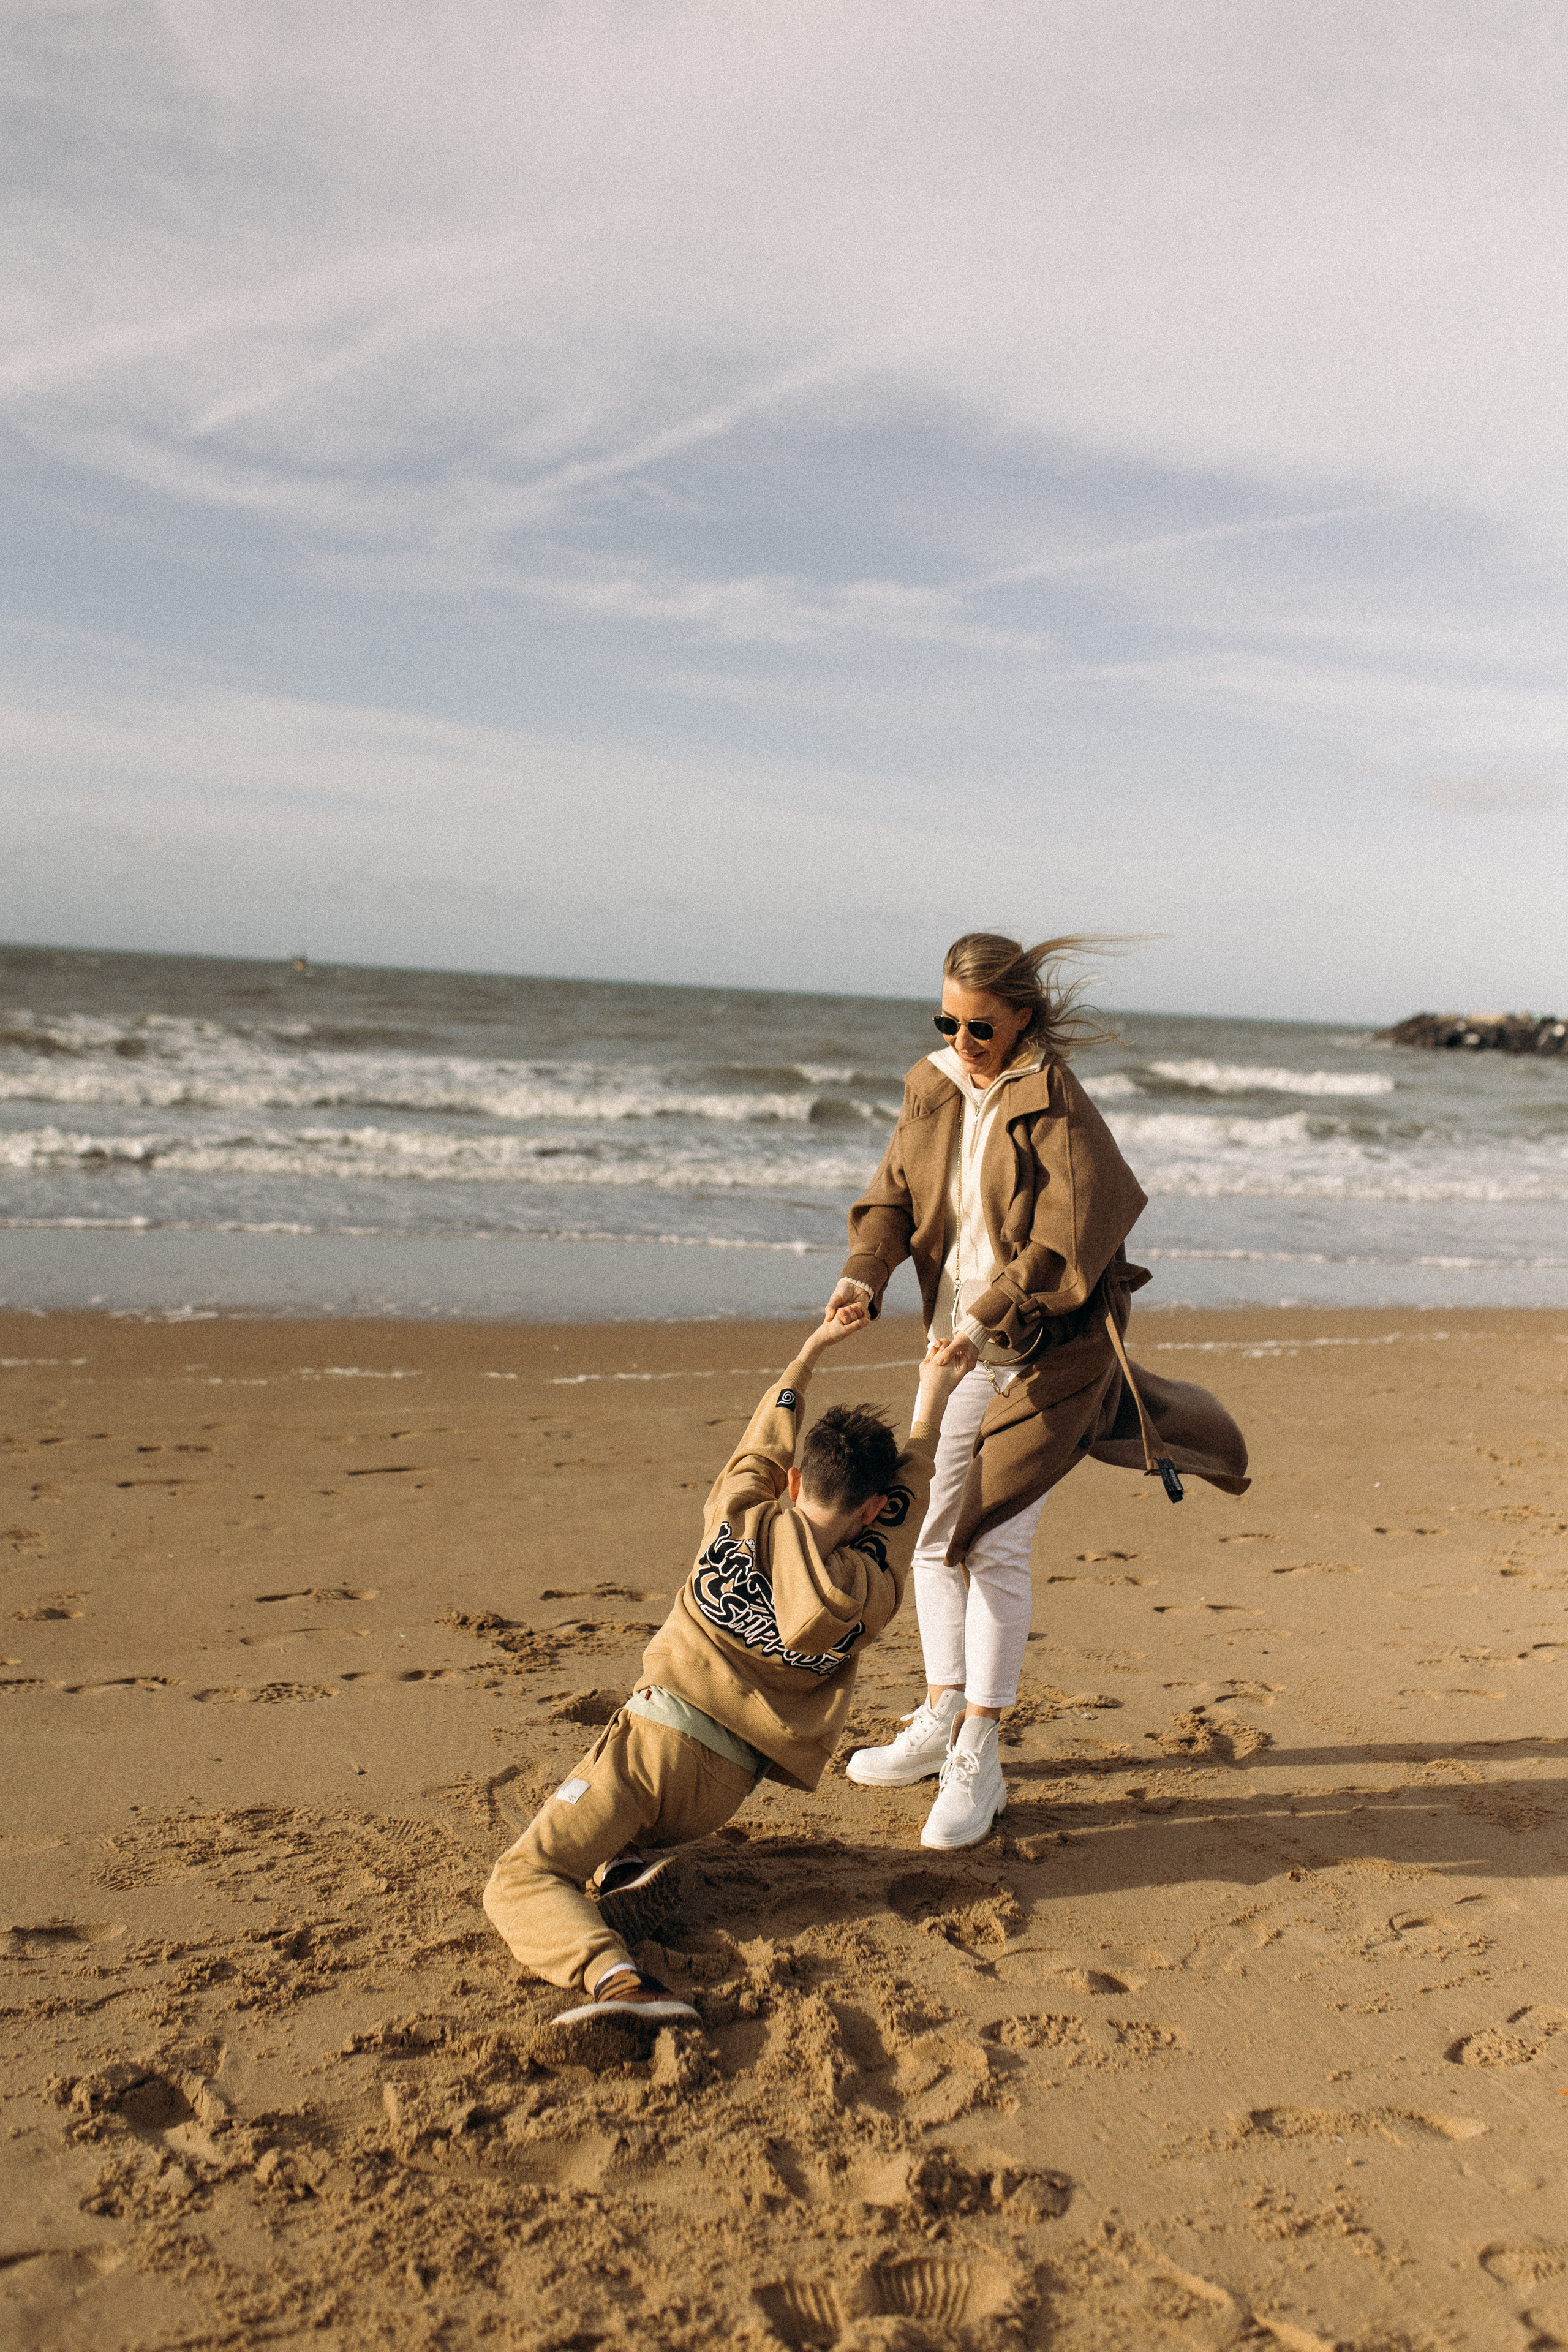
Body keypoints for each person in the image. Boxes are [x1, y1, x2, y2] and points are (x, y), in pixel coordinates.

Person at [832, 932, 1250, 1852]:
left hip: (1042, 1351)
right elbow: (894, 1195)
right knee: (932, 1532)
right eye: (947, 1019)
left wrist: (981, 1321)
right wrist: (866, 1273)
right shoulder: (934, 1082)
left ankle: (981, 1745)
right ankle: (943, 1713)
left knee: (991, 1534)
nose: (962, 1038)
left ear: (1022, 1015)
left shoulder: (1057, 1102)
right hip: (955, 1346)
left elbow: (1061, 1247)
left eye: (979, 1026)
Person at [482, 1303, 968, 2032]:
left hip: (654, 1746)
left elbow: (761, 1442)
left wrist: (811, 1350)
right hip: (726, 1786)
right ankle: (624, 1870)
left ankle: (621, 1984)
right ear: (870, 1511)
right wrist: (933, 1395)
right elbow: (914, 1493)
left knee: (521, 1879)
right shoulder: (870, 1589)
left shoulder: (739, 1513)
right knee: (614, 1841)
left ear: (797, 1483)